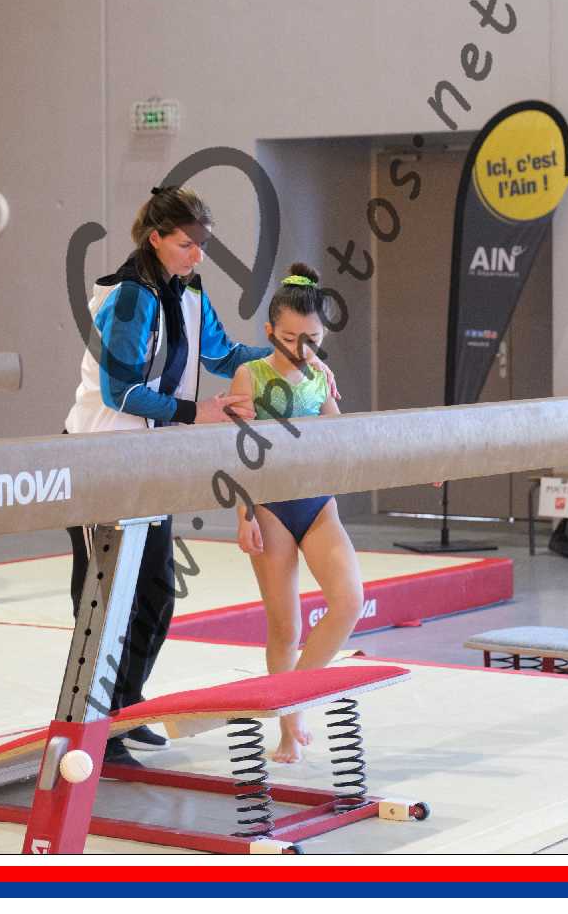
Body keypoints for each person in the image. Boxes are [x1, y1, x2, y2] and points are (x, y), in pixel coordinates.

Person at [64, 189, 337, 766]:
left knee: (157, 593)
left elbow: (224, 355)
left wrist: (298, 358)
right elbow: (120, 392)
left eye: (203, 245)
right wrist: (195, 412)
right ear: (156, 239)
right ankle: (93, 726)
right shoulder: (129, 299)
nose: (198, 255)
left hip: (153, 459)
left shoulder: (189, 293)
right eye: (187, 244)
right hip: (102, 459)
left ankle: (126, 708)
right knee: (106, 599)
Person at [228, 263, 364, 765]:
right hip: (270, 506)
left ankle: (294, 700)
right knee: (285, 629)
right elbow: (238, 449)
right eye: (289, 338)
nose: (300, 349)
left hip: (318, 503)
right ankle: (289, 728)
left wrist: (422, 466)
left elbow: (346, 440)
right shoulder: (251, 375)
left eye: (312, 340)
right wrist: (243, 513)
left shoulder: (320, 378)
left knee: (349, 601)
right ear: (270, 332)